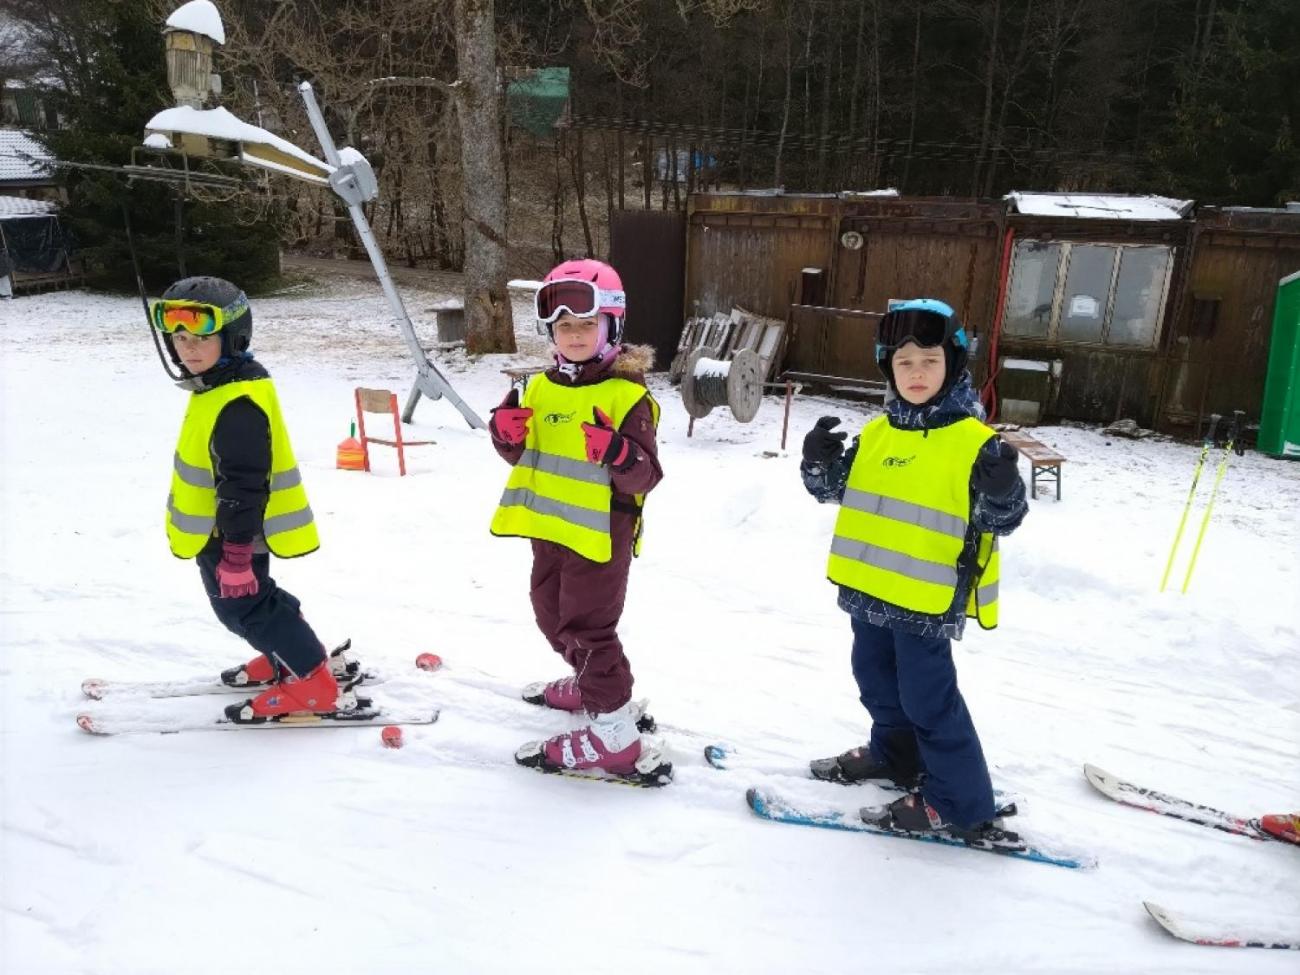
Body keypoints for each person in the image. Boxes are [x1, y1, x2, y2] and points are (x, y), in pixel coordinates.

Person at [800, 298, 1027, 839]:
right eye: (904, 363)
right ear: (887, 368)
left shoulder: (974, 442)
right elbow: (834, 491)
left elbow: (1005, 518)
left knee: (929, 700)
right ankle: (896, 757)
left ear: (953, 364)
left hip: (928, 596)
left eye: (929, 360)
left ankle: (962, 802)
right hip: (868, 588)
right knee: (875, 681)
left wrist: (1002, 489)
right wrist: (817, 463)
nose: (917, 373)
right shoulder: (878, 433)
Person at [489, 259, 664, 778]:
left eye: (587, 324)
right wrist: (505, 434)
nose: (575, 334)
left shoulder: (626, 395)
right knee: (549, 616)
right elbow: (519, 451)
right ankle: (596, 686)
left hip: (600, 537)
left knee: (588, 631)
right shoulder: (536, 388)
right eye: (564, 326)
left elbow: (646, 476)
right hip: (548, 531)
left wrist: (618, 453)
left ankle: (614, 739)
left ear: (611, 326)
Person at [153, 275, 345, 722]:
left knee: (244, 608)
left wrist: (236, 556)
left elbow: (243, 484)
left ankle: (314, 683)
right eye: (178, 338)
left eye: (202, 338)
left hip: (234, 534)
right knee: (257, 601)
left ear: (233, 338)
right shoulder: (221, 386)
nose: (188, 349)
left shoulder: (236, 403)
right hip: (224, 530)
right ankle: (290, 654)